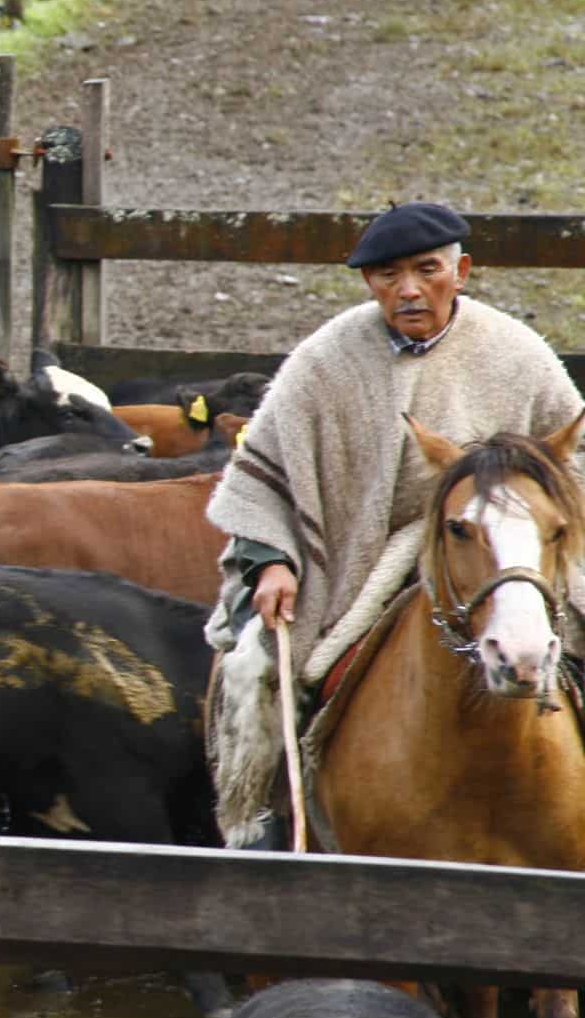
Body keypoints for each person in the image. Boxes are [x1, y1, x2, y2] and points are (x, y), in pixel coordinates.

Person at [203, 201, 585, 843]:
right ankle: (264, 828)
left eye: (426, 270)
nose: (408, 289)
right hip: (360, 561)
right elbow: (262, 478)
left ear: (459, 271)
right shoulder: (324, 363)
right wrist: (271, 560)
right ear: (368, 282)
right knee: (256, 665)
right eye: (387, 275)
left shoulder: (517, 354)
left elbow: (575, 457)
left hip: (505, 552)